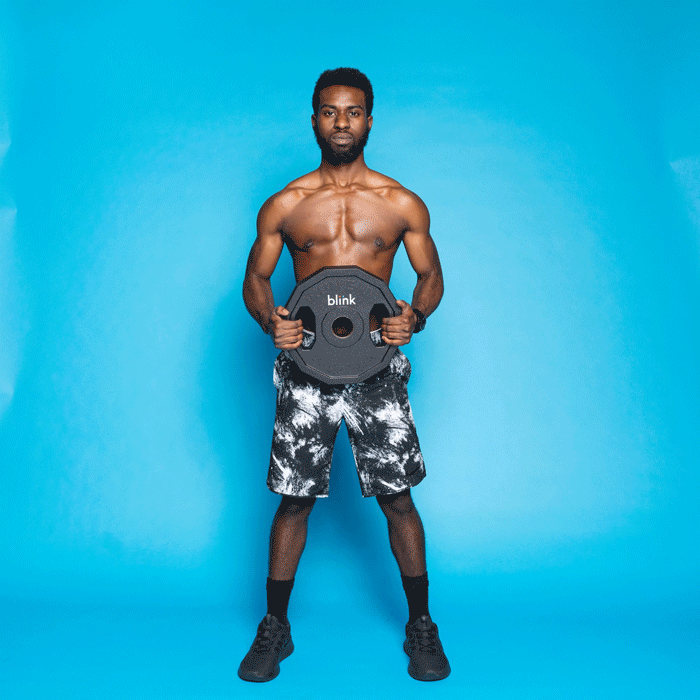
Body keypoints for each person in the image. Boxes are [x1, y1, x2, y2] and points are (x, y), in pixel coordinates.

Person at [240, 68, 449, 682]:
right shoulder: (286, 204)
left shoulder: (401, 203)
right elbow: (256, 280)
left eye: (353, 112)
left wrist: (414, 316)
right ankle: (275, 628)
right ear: (314, 120)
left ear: (369, 121)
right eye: (330, 112)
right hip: (307, 369)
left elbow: (431, 277)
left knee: (398, 498)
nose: (341, 122)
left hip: (376, 369)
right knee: (294, 500)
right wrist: (269, 321)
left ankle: (421, 625)